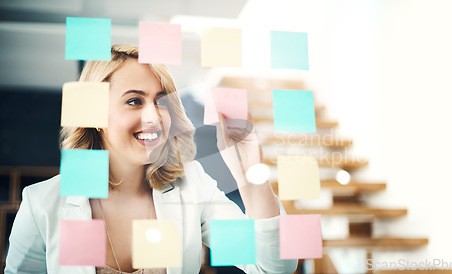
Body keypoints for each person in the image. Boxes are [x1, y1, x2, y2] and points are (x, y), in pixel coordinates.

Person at [5, 44, 298, 274]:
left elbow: (273, 266)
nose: (154, 117)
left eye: (161, 101)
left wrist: (250, 174)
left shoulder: (192, 186)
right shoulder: (42, 202)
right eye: (134, 101)